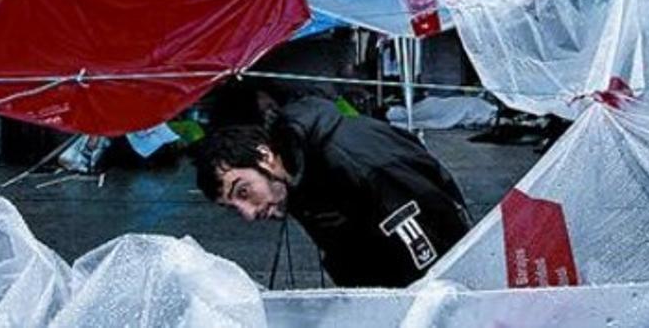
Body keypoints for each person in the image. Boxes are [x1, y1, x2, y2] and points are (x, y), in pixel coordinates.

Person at [194, 94, 470, 287]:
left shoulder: (359, 163)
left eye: (243, 192)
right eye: (233, 207)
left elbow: (434, 263)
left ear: (264, 156)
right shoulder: (294, 176)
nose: (248, 214)